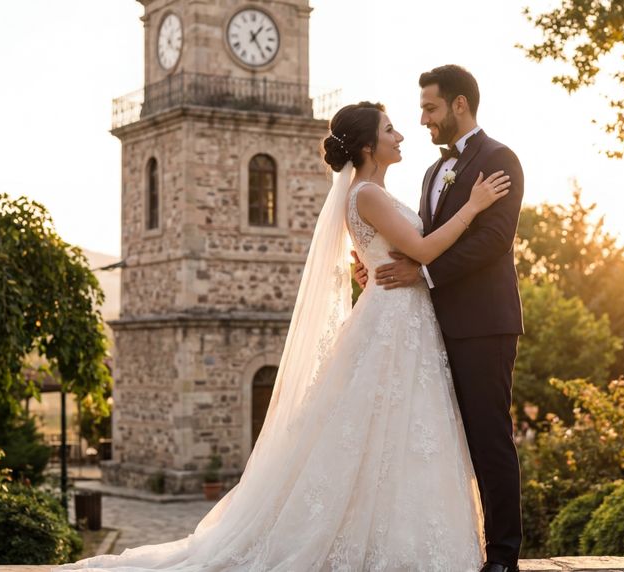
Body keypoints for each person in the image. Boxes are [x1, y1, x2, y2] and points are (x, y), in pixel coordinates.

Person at [53, 101, 511, 572]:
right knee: (388, 426)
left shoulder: (370, 193)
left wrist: (372, 266)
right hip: (394, 321)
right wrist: (473, 206)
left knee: (396, 429)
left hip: (402, 318)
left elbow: (390, 253)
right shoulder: (369, 195)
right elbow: (424, 250)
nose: (401, 135)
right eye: (390, 129)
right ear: (368, 146)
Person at [355, 65, 526, 572]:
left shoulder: (499, 159)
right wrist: (375, 264)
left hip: (483, 323)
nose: (423, 119)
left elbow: (494, 240)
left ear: (459, 104)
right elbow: (420, 241)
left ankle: (503, 556)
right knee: (442, 440)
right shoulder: (433, 172)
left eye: (430, 108)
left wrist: (423, 275)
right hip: (428, 328)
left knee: (489, 437)